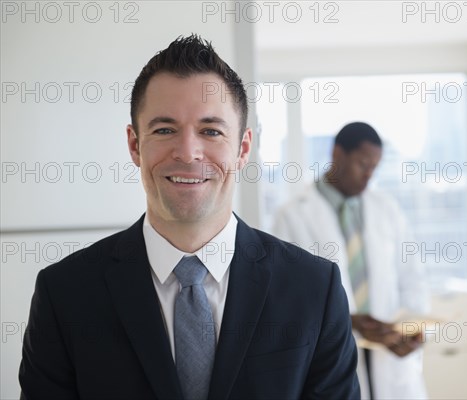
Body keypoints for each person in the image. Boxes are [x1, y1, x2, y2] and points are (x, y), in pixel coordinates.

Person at [19, 35, 360, 400]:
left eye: (210, 131)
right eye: (164, 130)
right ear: (135, 144)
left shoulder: (313, 289)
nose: (187, 152)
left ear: (243, 148)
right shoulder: (65, 294)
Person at [273, 122, 430, 399]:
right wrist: (346, 321)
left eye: (375, 167)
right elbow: (287, 297)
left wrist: (412, 329)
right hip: (331, 353)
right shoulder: (293, 215)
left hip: (390, 358)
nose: (369, 175)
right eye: (362, 164)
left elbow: (412, 277)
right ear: (337, 154)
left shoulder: (386, 209)